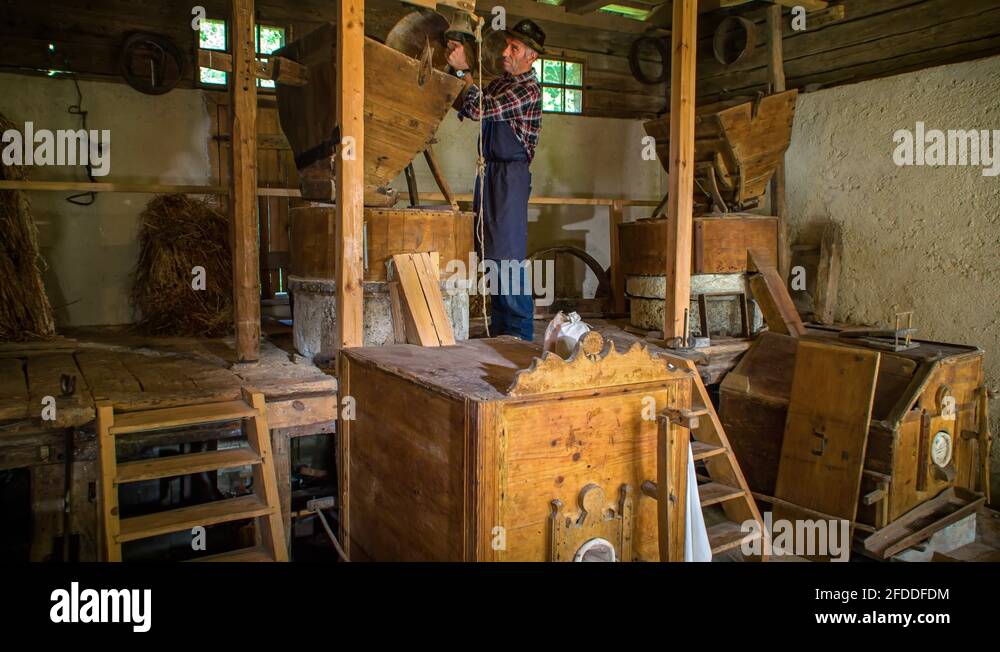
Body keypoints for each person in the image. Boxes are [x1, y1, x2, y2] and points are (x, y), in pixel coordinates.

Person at [446, 19, 546, 341]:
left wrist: (464, 72)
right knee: (490, 252)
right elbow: (468, 103)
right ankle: (503, 333)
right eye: (506, 45)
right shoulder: (503, 82)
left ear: (531, 57)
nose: (505, 52)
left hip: (509, 177)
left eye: (513, 48)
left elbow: (481, 109)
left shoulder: (527, 89)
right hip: (489, 172)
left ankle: (519, 333)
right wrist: (454, 73)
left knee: (507, 255)